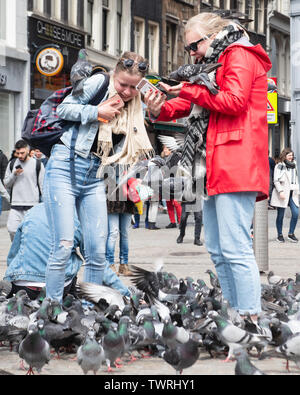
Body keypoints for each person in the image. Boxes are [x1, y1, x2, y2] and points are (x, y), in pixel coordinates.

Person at [144, 12, 272, 317]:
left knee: (235, 247)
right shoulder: (215, 63)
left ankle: (251, 316)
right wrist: (158, 108)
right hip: (219, 162)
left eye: (194, 46)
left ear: (213, 36)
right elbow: (195, 103)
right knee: (218, 247)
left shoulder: (239, 54)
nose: (192, 53)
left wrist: (186, 89)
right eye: (188, 49)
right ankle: (233, 313)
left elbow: (233, 101)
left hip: (236, 161)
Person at [44, 52, 153, 303]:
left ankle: (88, 310)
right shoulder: (99, 82)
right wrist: (96, 111)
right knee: (63, 245)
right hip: (65, 165)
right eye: (122, 84)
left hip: (95, 175)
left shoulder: (136, 104)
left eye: (133, 87)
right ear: (114, 75)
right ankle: (51, 309)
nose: (126, 91)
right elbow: (63, 108)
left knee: (97, 252)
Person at [4, 203, 130, 300]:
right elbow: (96, 263)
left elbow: (13, 256)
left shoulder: (33, 211)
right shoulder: (79, 216)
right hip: (57, 287)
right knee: (72, 257)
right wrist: (125, 293)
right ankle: (70, 299)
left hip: (22, 285)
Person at [4, 140, 45, 241]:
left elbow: (43, 186)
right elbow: (6, 183)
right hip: (15, 204)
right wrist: (14, 174)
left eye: (22, 153)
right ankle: (17, 250)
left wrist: (44, 204)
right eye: (18, 153)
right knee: (12, 229)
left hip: (32, 205)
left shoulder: (37, 164)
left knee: (31, 234)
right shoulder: (12, 164)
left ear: (27, 150)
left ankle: (26, 253)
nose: (20, 155)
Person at [270, 148, 299, 243]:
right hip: (283, 193)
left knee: (295, 213)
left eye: (292, 155)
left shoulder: (294, 165)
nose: (291, 157)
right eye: (289, 155)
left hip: (292, 193)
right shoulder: (279, 165)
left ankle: (291, 234)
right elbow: (276, 180)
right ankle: (280, 235)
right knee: (280, 215)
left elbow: (296, 179)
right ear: (285, 156)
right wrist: (280, 191)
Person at [161, 145, 182, 229]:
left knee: (176, 203)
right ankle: (172, 222)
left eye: (166, 148)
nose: (165, 150)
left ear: (171, 150)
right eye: (164, 149)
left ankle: (180, 222)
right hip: (166, 182)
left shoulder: (176, 157)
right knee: (169, 203)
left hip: (175, 182)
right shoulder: (164, 159)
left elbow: (176, 169)